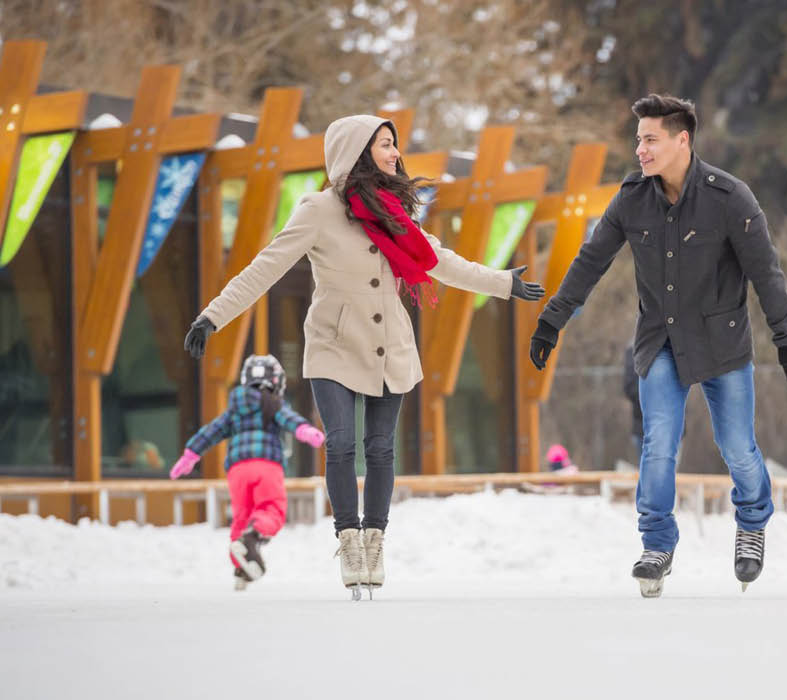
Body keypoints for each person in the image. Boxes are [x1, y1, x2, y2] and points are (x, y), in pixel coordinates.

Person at [184, 115, 544, 600]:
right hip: (334, 345)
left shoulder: (396, 213)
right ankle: (348, 540)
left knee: (379, 448)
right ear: (356, 150)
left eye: (395, 145)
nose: (396, 153)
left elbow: (439, 260)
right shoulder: (317, 210)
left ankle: (374, 542)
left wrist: (503, 283)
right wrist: (212, 316)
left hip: (389, 346)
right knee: (340, 442)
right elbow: (264, 268)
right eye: (385, 144)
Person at [529, 94, 787, 597]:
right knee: (659, 444)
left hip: (722, 342)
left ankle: (751, 523)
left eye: (650, 139)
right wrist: (552, 321)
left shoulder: (730, 198)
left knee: (738, 449)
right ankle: (657, 542)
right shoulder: (631, 199)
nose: (640, 149)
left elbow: (765, 273)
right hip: (659, 339)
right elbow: (591, 261)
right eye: (638, 139)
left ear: (682, 140)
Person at [169, 354, 325, 590]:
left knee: (242, 517)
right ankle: (251, 540)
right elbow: (288, 419)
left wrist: (190, 455)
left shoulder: (235, 408)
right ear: (276, 381)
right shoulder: (272, 403)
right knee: (271, 509)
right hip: (266, 465)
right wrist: (305, 431)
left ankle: (241, 569)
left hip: (237, 470)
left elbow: (212, 431)